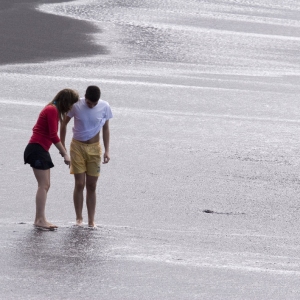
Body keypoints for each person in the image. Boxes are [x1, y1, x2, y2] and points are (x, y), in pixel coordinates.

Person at [24, 89, 79, 230]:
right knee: (43, 185)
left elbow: (40, 129)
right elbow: (53, 135)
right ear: (66, 101)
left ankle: (40, 218)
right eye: (71, 104)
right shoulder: (52, 110)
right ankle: (40, 220)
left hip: (39, 149)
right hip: (37, 149)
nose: (71, 107)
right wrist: (65, 154)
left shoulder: (51, 109)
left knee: (45, 185)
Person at [60, 85, 113, 227]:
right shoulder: (76, 105)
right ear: (85, 97)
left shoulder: (105, 106)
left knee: (92, 185)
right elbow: (63, 124)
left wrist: (107, 150)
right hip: (77, 147)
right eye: (89, 103)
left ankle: (91, 221)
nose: (91, 106)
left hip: (95, 149)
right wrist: (63, 147)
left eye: (94, 104)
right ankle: (79, 218)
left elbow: (106, 128)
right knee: (79, 183)